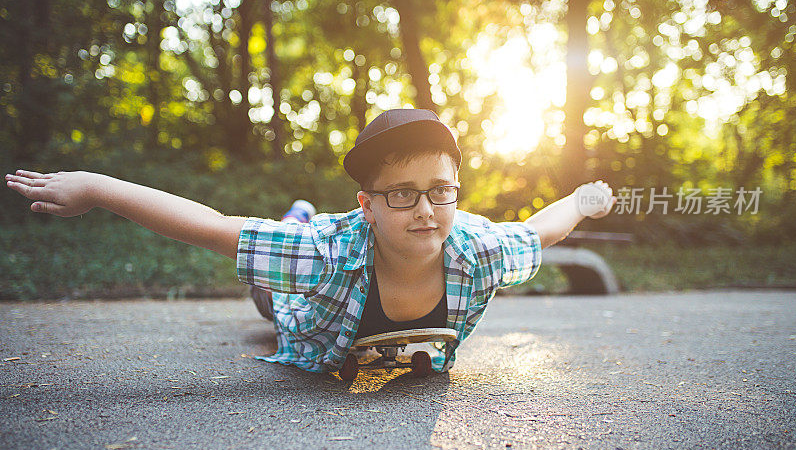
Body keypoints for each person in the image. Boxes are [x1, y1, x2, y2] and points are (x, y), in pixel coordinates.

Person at [4, 108, 615, 375]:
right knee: (267, 291)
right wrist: (99, 187)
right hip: (295, 305)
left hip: (339, 297)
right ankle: (294, 218)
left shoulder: (478, 251)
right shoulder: (323, 258)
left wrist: (586, 201)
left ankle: (295, 215)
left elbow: (540, 229)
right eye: (402, 193)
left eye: (441, 190)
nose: (426, 210)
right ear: (367, 204)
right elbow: (214, 227)